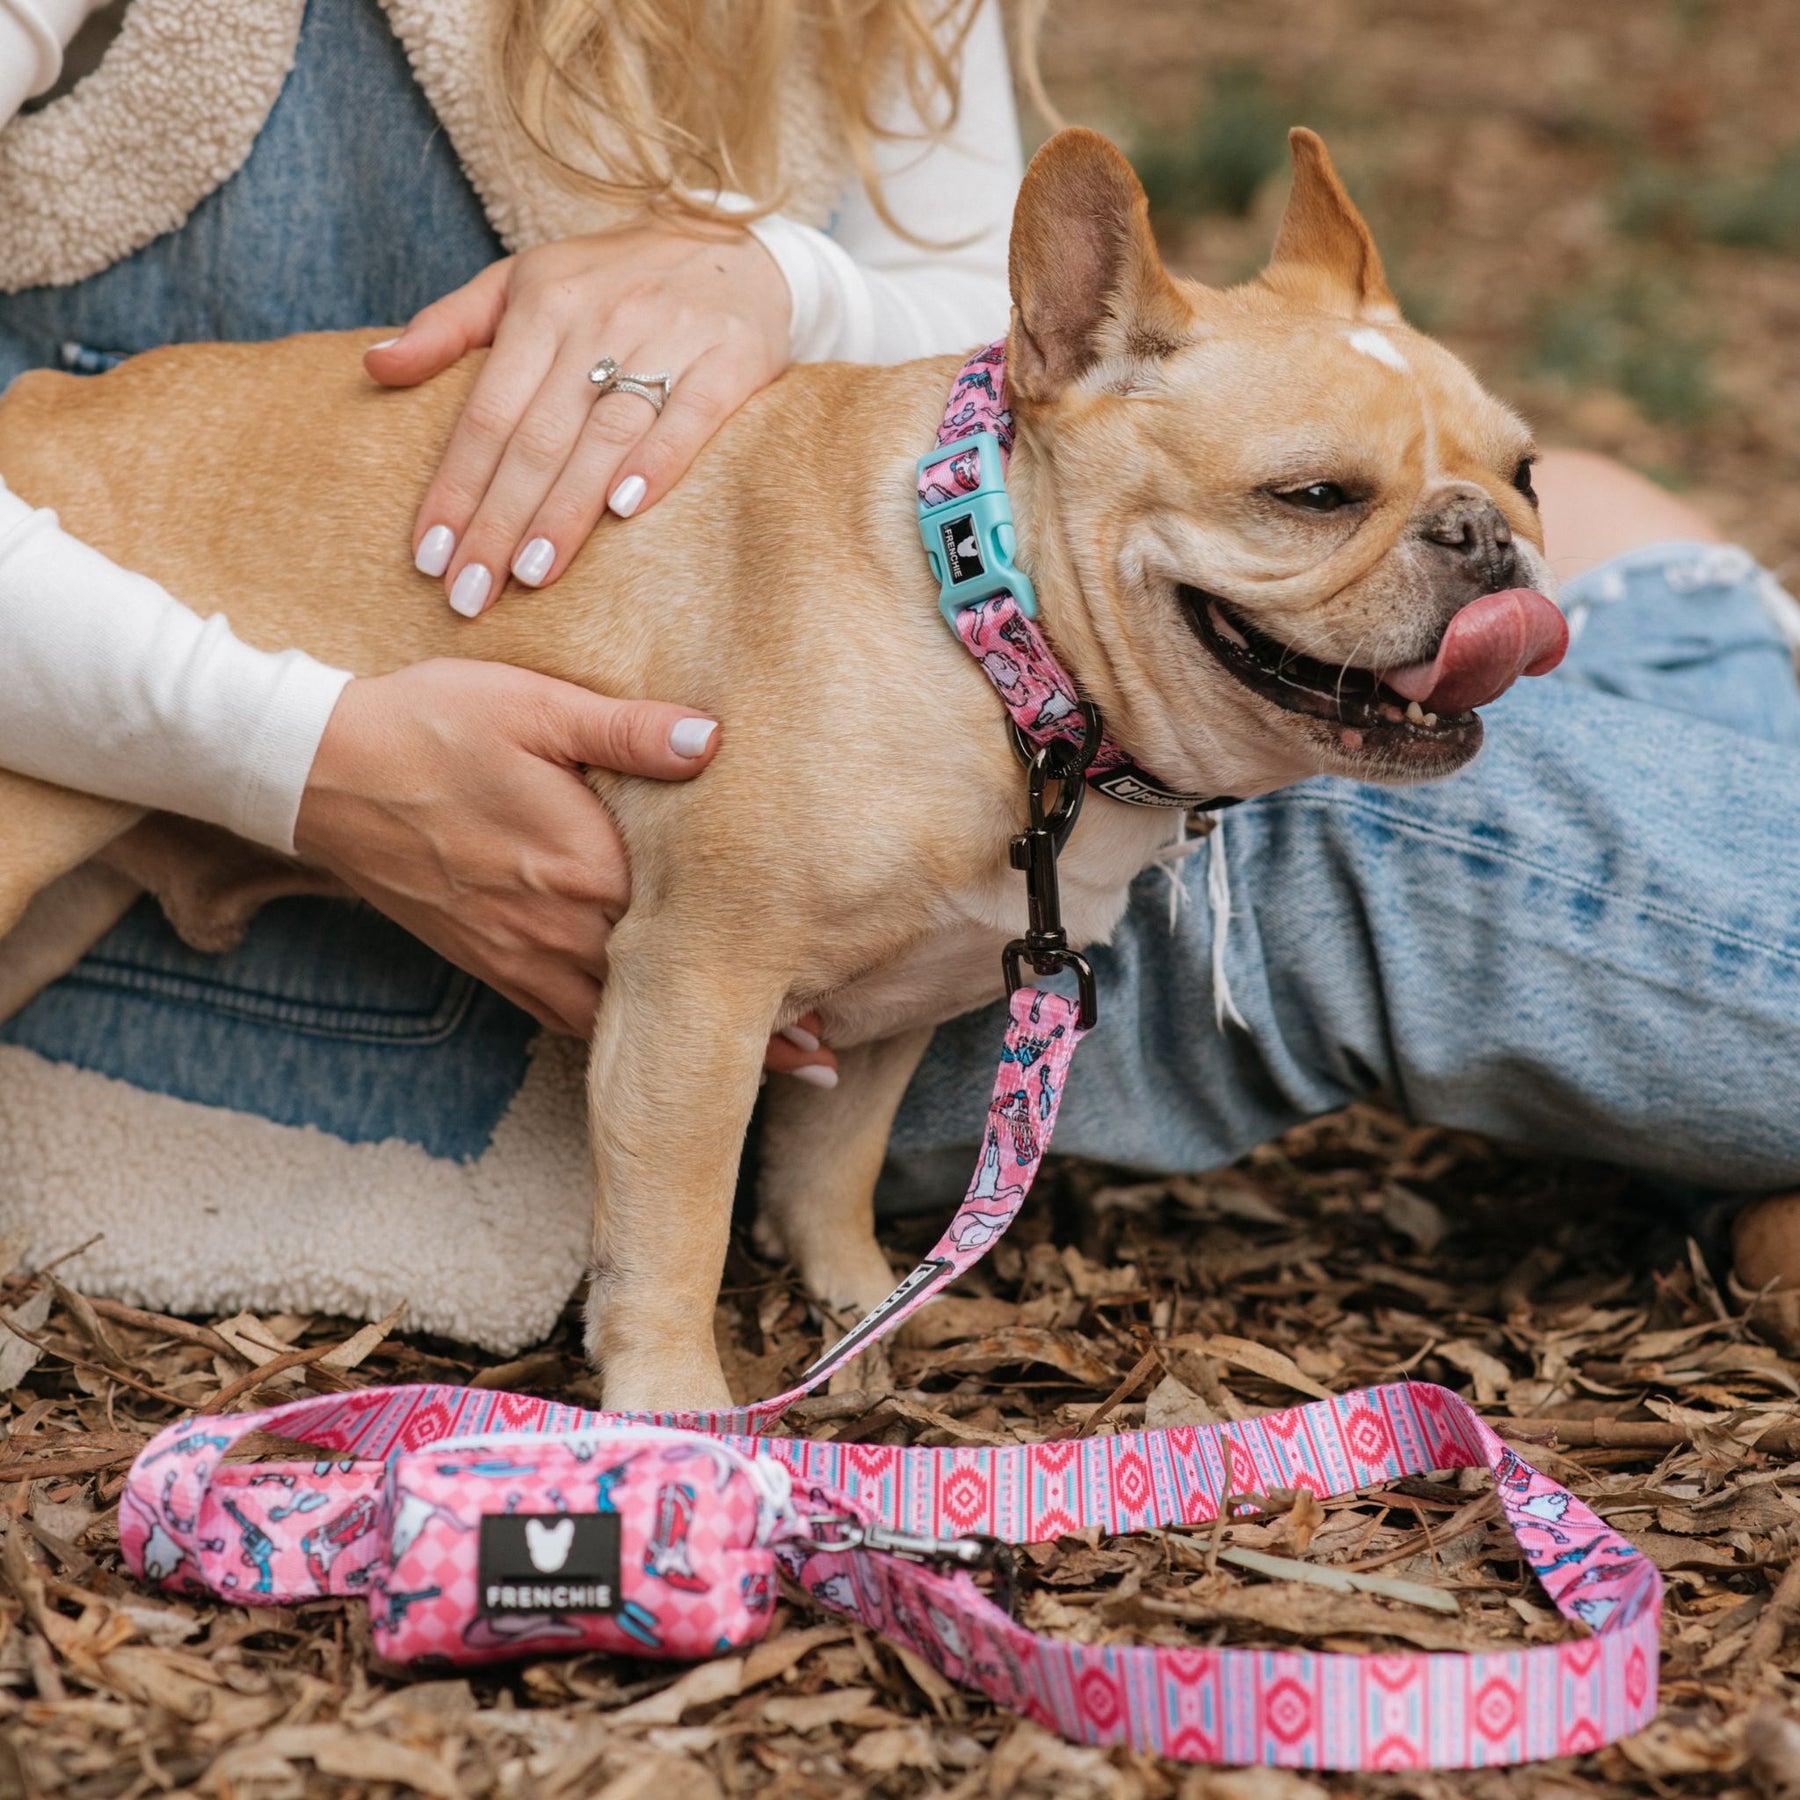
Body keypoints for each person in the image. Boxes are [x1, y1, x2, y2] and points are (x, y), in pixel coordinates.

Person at [2, 0, 1797, 1314]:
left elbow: (1012, 312)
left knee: (1599, 535)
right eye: (1318, 493)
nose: (1480, 538)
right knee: (1420, 830)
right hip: (205, 777)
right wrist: (287, 747)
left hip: (1004, 720)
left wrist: (789, 283)